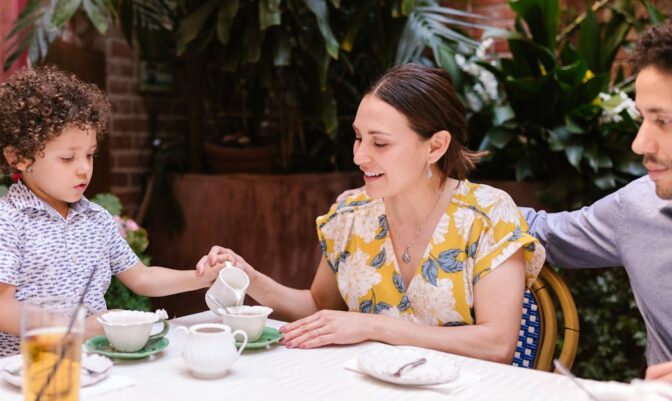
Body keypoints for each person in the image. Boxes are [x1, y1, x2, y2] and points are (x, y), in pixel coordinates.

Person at [199, 64, 545, 363]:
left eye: (380, 143)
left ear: (436, 146)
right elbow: (319, 305)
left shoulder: (487, 214)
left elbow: (497, 344)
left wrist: (372, 326)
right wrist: (250, 277)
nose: (359, 156)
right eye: (358, 138)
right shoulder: (351, 213)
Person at [0, 67, 220, 361]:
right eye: (67, 158)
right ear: (19, 157)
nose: (84, 168)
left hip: (92, 360)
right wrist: (79, 329)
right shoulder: (3, 223)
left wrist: (203, 277)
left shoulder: (96, 219)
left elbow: (142, 278)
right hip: (21, 367)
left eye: (89, 154)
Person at [521, 23, 672, 380]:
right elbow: (539, 232)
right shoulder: (637, 206)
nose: (640, 144)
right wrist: (436, 187)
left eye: (664, 121)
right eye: (642, 118)